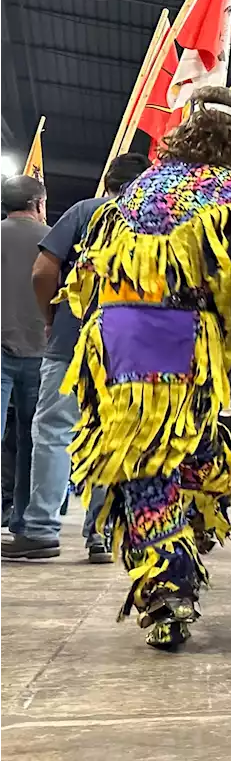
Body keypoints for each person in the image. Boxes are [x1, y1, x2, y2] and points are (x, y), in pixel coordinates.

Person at [62, 87, 231, 648]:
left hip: (114, 339)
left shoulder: (137, 188)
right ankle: (184, 551)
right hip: (184, 337)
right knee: (203, 449)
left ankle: (167, 589)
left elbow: (91, 271)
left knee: (143, 465)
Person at [2, 154, 149, 563]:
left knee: (53, 432)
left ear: (108, 182)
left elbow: (42, 271)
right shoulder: (159, 226)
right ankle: (101, 534)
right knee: (111, 438)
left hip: (73, 339)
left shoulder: (87, 211)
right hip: (132, 350)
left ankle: (41, 531)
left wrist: (52, 317)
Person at [0, 175, 48, 546]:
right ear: (38, 203)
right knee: (36, 440)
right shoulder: (54, 240)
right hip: (42, 352)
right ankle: (26, 524)